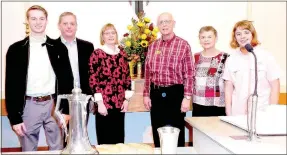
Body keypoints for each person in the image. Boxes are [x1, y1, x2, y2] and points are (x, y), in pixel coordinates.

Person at [5, 5, 73, 151]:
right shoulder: (16, 50)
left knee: (58, 148)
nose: (38, 22)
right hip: (29, 106)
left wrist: (66, 110)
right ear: (27, 21)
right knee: (28, 149)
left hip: (54, 105)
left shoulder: (59, 47)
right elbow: (10, 86)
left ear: (47, 21)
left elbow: (67, 80)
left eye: (41, 18)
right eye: (33, 18)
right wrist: (15, 118)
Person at [143, 12, 194, 147]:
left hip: (175, 94)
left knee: (176, 131)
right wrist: (146, 95)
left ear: (173, 23)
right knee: (158, 130)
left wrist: (187, 98)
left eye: (167, 21)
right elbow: (147, 72)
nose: (164, 25)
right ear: (158, 26)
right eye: (161, 22)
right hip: (156, 94)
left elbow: (189, 74)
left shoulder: (183, 45)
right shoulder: (153, 46)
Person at [223, 20, 280, 116]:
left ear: (252, 35)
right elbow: (228, 86)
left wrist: (272, 111)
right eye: (238, 34)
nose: (243, 36)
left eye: (246, 32)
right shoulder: (231, 58)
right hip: (238, 112)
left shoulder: (265, 56)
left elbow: (275, 84)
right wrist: (228, 111)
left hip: (262, 110)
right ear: (235, 38)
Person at [88, 23, 134, 145]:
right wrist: (99, 103)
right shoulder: (97, 54)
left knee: (118, 140)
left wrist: (126, 100)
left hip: (120, 103)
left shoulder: (122, 54)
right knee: (105, 140)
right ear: (102, 37)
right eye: (107, 33)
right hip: (104, 104)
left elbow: (127, 78)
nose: (110, 35)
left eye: (113, 32)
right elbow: (93, 79)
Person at [56, 12, 94, 147]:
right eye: (65, 23)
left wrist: (93, 97)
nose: (68, 27)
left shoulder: (88, 47)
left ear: (76, 26)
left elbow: (92, 74)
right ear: (59, 26)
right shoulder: (52, 47)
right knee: (66, 137)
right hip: (63, 100)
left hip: (83, 98)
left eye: (72, 23)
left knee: (82, 135)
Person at [192, 26, 229, 117]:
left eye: (209, 37)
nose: (206, 40)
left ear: (216, 38)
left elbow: (229, 84)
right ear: (199, 39)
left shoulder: (225, 57)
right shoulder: (195, 57)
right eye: (203, 37)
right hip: (198, 104)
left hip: (218, 105)